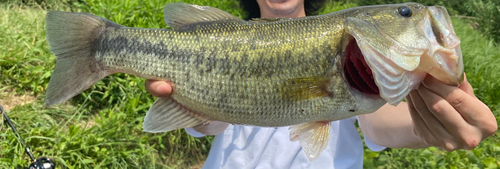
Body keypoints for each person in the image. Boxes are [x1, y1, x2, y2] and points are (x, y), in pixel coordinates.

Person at [146, 0, 498, 168]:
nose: (412, 16)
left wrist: (426, 125)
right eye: (405, 13)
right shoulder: (221, 39)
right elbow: (214, 123)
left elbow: (380, 123)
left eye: (403, 13)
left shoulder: (356, 60)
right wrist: (192, 103)